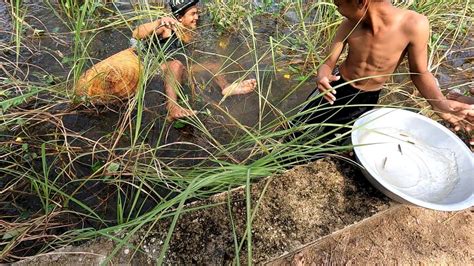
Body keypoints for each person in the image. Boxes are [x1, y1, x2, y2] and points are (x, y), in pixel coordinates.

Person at [292, 0, 473, 142]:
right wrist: (322, 74)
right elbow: (328, 62)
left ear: (360, 2)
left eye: (339, 4)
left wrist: (438, 102)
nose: (338, 10)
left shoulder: (414, 25)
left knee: (333, 138)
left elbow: (419, 72)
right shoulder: (349, 25)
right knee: (297, 128)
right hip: (333, 87)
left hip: (364, 100)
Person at [76, 0, 256, 120]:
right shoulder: (168, 27)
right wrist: (158, 22)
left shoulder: (189, 34)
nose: (197, 17)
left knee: (213, 65)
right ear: (179, 17)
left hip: (164, 66)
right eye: (192, 14)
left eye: (197, 13)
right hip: (144, 62)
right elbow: (136, 33)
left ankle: (226, 87)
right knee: (175, 64)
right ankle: (173, 109)